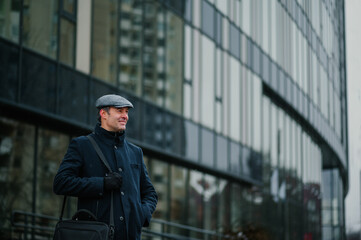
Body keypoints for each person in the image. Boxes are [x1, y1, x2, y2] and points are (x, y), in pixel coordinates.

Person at [53, 94, 158, 240]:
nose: (125, 116)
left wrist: (141, 215)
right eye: (119, 111)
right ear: (103, 113)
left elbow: (150, 193)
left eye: (126, 112)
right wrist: (101, 183)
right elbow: (61, 183)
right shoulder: (82, 145)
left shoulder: (135, 152)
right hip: (96, 235)